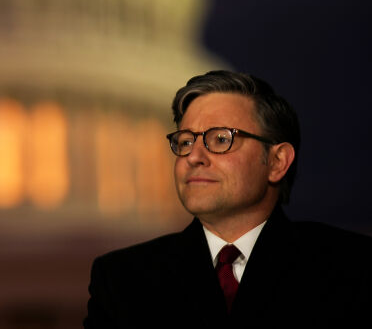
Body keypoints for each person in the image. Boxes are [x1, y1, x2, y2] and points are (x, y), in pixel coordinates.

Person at [83, 70, 372, 327]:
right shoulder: (123, 280)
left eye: (221, 139)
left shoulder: (349, 269)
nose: (194, 157)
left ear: (277, 161)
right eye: (185, 141)